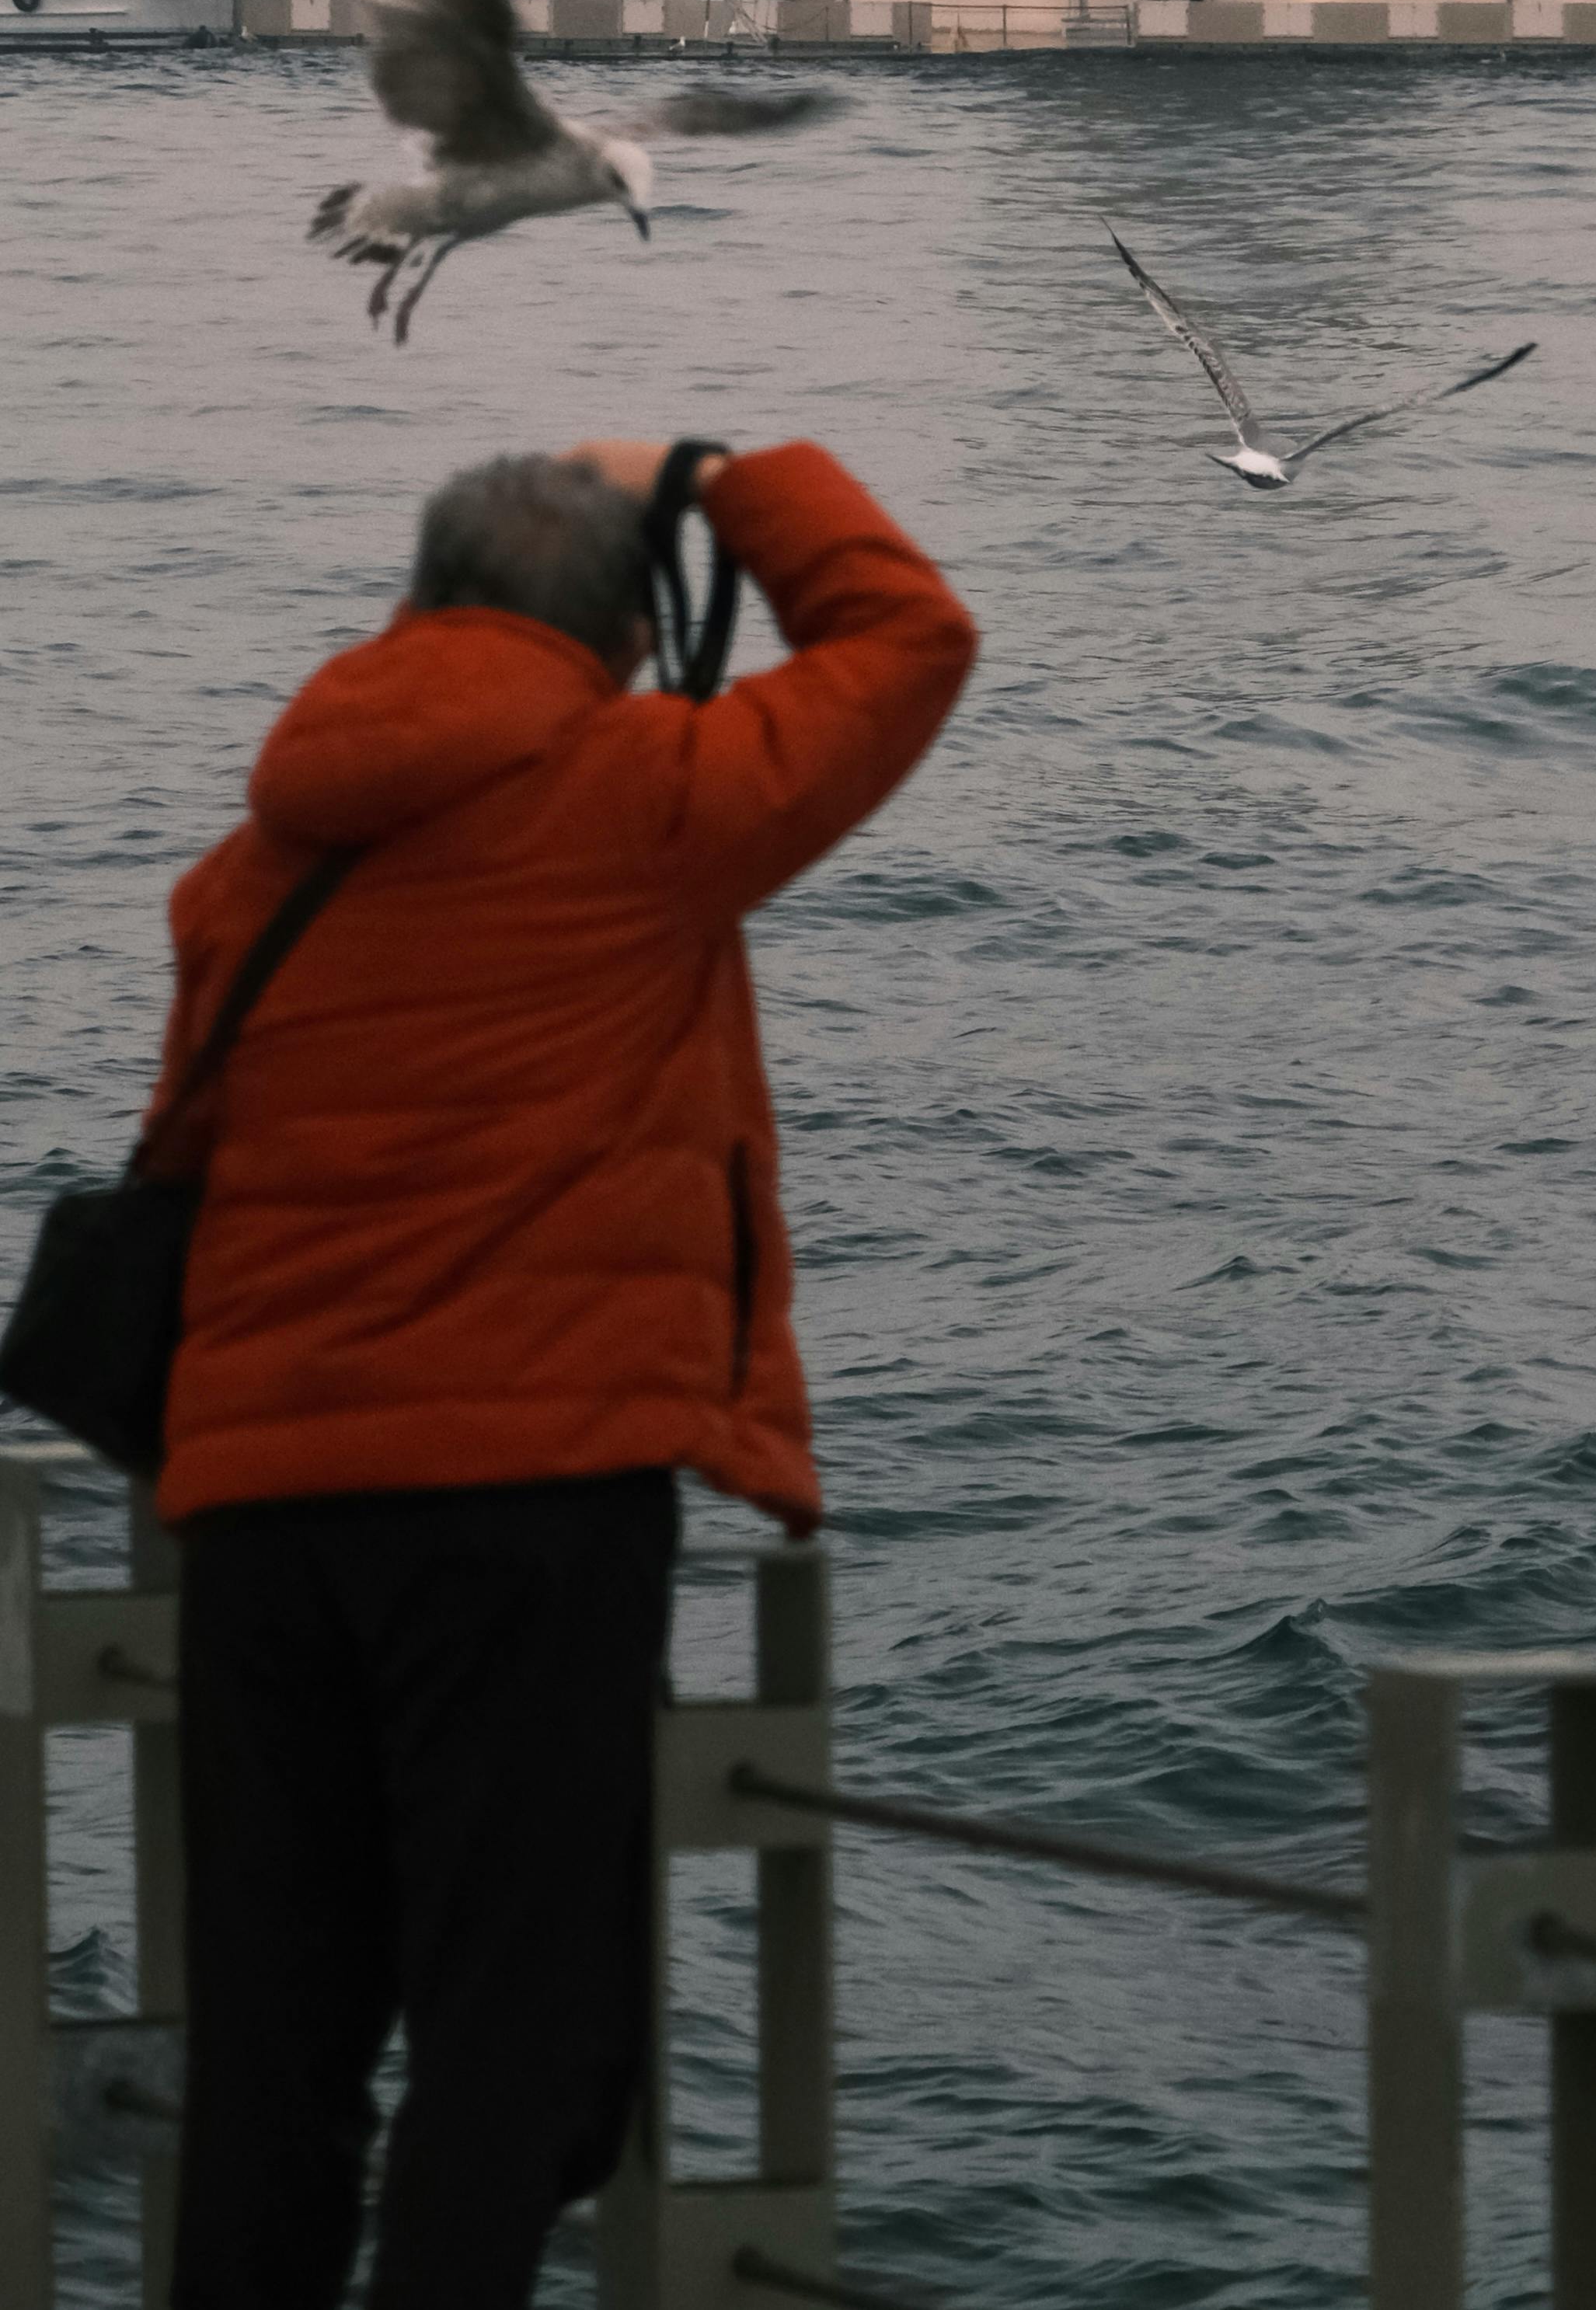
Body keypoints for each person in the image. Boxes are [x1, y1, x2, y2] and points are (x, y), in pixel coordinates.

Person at [149, 434, 976, 2310]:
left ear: (422, 602)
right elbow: (909, 637)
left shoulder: (259, 857)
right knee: (517, 2046)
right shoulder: (655, 796)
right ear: (618, 625)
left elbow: (186, 1169)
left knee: (276, 2052)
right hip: (525, 1511)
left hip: (265, 1521)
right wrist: (729, 473)